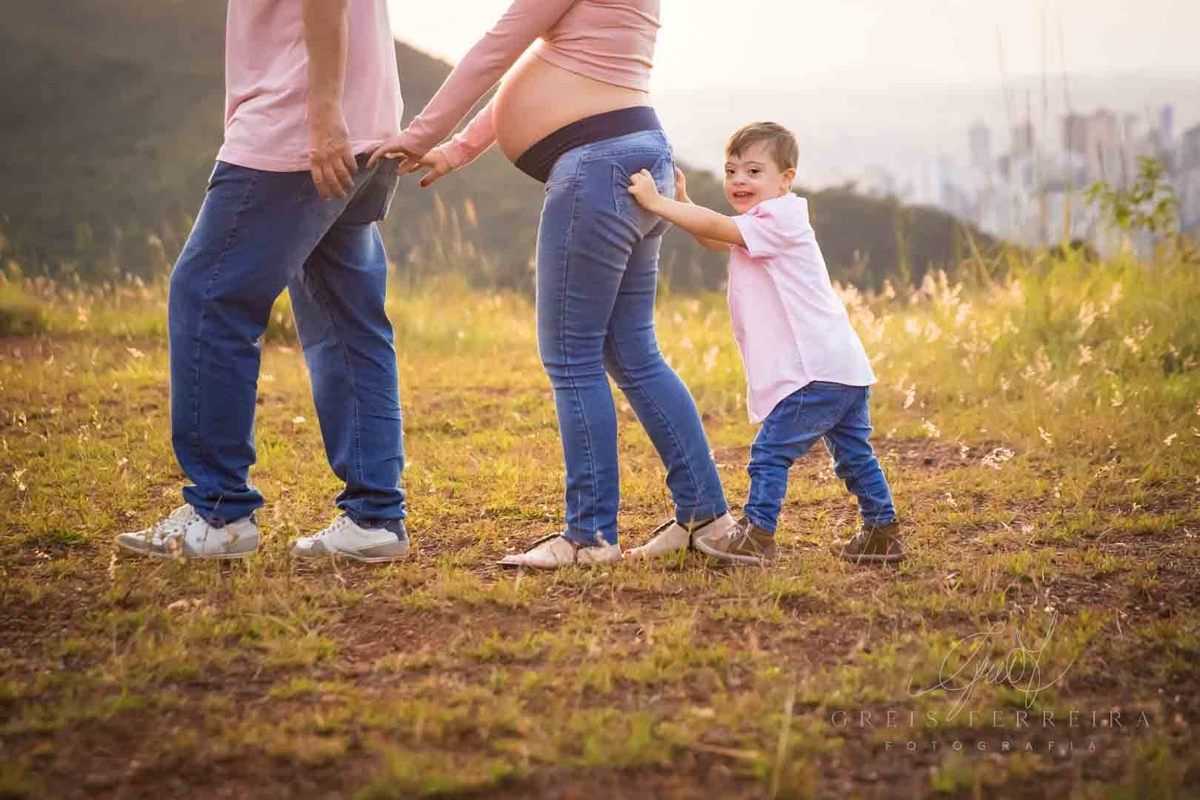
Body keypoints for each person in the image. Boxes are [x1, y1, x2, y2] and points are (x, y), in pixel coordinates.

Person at [370, 0, 736, 568]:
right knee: (632, 350)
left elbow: (499, 48)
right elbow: (548, 62)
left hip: (598, 168)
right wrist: (459, 148)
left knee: (572, 354)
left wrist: (420, 135)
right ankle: (706, 517)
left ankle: (589, 536)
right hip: (639, 154)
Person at [115, 0, 410, 563]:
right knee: (347, 320)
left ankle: (218, 511)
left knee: (208, 296)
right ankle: (374, 518)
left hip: (299, 124)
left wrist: (321, 116)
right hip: (366, 120)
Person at [626, 122, 905, 565]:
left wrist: (656, 202)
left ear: (786, 179)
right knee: (854, 456)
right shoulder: (762, 223)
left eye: (754, 171)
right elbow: (715, 237)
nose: (739, 180)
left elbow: (719, 227)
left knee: (769, 453)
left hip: (814, 372)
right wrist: (680, 203)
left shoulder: (781, 219)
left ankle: (757, 534)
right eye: (732, 170)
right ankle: (881, 531)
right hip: (842, 368)